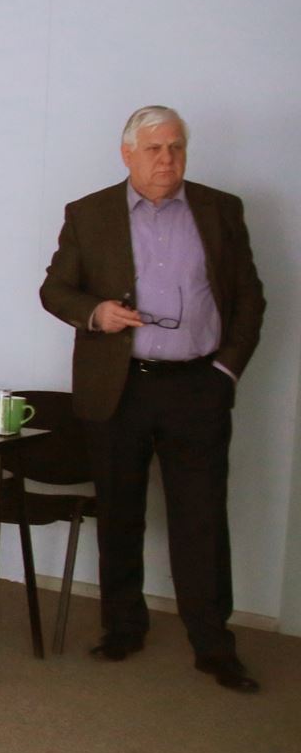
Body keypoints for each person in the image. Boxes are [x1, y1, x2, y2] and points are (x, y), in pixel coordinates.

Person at [40, 106, 266, 693]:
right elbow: (55, 289)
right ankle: (123, 627)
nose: (167, 159)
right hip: (121, 386)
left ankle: (213, 645)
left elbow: (249, 297)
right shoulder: (89, 213)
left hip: (198, 386)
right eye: (154, 149)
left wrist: (225, 371)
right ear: (127, 155)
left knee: (201, 518)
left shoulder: (220, 209)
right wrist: (96, 312)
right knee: (120, 512)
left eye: (176, 147)